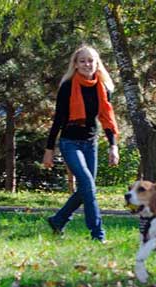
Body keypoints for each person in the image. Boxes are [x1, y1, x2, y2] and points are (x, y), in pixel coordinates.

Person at [43, 45, 120, 241]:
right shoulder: (67, 87)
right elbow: (58, 120)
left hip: (90, 143)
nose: (87, 64)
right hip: (70, 142)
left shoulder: (102, 88)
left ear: (97, 64)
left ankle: (58, 220)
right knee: (88, 185)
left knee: (86, 188)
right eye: (83, 61)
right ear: (75, 65)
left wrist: (113, 146)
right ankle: (98, 234)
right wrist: (49, 149)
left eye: (91, 61)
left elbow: (107, 119)